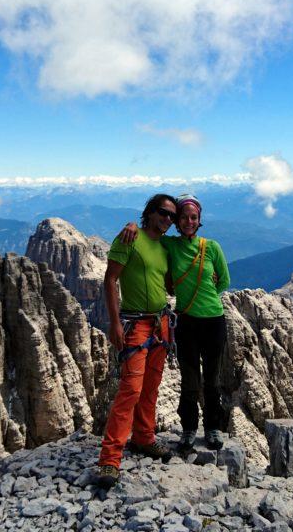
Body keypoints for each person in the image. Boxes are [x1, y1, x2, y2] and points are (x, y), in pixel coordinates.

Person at [118, 193, 231, 453]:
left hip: (214, 321)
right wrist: (132, 225)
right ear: (177, 222)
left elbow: (224, 281)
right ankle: (190, 429)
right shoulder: (171, 245)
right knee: (190, 381)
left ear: (199, 220)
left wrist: (208, 295)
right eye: (183, 217)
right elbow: (150, 237)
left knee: (212, 381)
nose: (188, 221)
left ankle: (212, 428)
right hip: (187, 323)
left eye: (194, 217)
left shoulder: (212, 247)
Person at [95, 193, 178, 488]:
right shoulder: (129, 238)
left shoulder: (165, 246)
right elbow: (110, 279)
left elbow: (168, 280)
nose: (168, 219)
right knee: (130, 389)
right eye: (163, 213)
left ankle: (144, 438)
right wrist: (115, 322)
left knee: (151, 387)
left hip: (161, 323)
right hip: (136, 324)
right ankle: (109, 459)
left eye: (172, 215)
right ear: (150, 213)